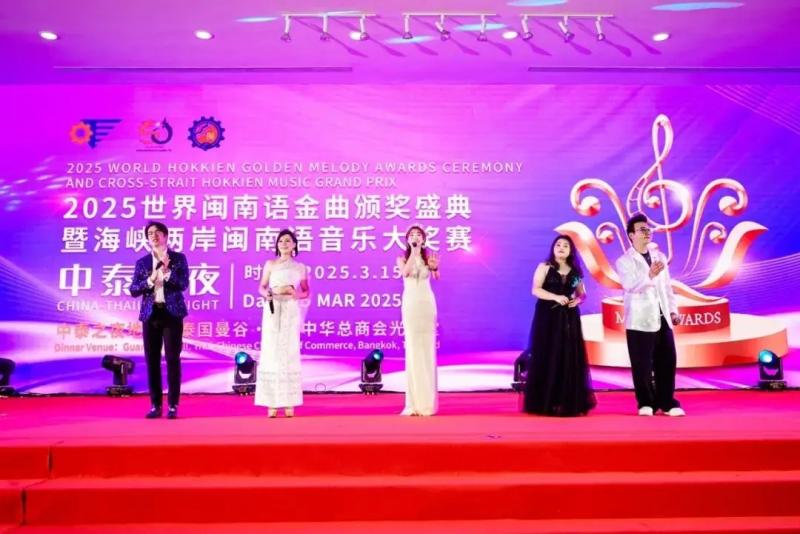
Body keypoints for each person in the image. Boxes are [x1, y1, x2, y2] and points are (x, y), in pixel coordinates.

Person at [615, 213, 685, 417]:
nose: (647, 233)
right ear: (631, 235)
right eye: (642, 230)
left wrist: (673, 311)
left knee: (667, 361)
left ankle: (668, 402)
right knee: (642, 364)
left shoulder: (659, 256)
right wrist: (650, 275)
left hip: (662, 316)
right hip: (639, 319)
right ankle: (646, 403)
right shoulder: (624, 261)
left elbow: (667, 287)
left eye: (648, 229)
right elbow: (630, 285)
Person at [524, 235, 596, 417]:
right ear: (553, 248)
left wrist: (578, 300)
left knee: (568, 355)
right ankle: (545, 401)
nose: (561, 247)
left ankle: (567, 401)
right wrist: (555, 297)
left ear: (571, 250)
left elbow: (582, 294)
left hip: (569, 318)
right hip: (548, 316)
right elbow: (536, 289)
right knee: (548, 353)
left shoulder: (576, 272)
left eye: (566, 245)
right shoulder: (545, 267)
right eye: (558, 244)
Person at [129, 221, 189, 419]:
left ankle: (173, 405)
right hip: (151, 315)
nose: (153, 236)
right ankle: (155, 405)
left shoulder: (178, 258)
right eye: (150, 233)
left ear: (165, 235)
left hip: (172, 315)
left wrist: (168, 273)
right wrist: (150, 279)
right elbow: (133, 290)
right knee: (152, 361)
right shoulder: (143, 262)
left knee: (172, 360)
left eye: (157, 232)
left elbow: (183, 284)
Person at [255, 229, 310, 418]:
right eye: (281, 241)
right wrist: (267, 294)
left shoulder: (300, 267)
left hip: (290, 308)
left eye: (288, 241)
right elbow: (261, 287)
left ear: (294, 245)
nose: (284, 244)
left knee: (288, 351)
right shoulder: (270, 264)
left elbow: (306, 291)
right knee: (272, 351)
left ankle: (288, 402)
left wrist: (297, 295)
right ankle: (271, 402)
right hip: (272, 307)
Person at [397, 225, 440, 416]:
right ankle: (414, 402)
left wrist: (435, 268)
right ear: (408, 240)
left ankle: (428, 402)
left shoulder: (428, 259)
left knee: (427, 348)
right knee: (413, 348)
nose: (415, 237)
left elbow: (437, 277)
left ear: (423, 239)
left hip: (426, 303)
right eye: (412, 235)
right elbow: (405, 273)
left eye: (419, 235)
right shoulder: (402, 258)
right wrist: (414, 253)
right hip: (411, 304)